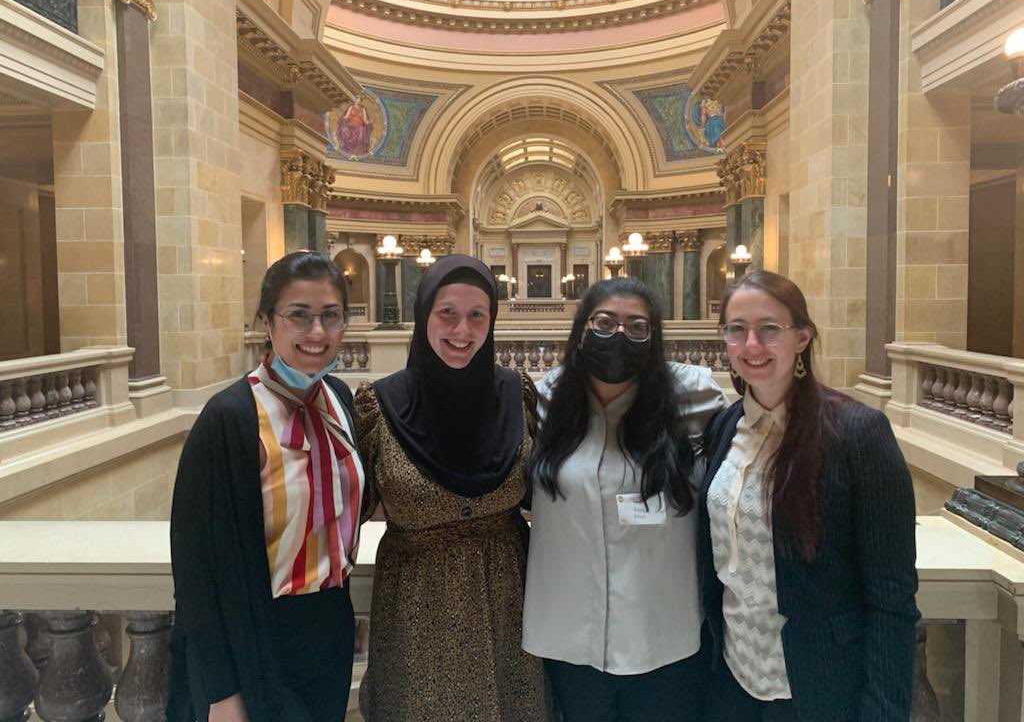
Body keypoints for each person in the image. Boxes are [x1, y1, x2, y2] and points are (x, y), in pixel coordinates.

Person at [699, 270, 919, 722]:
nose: (751, 345)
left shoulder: (857, 434)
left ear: (802, 338)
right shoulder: (724, 427)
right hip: (733, 678)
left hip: (819, 681)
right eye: (736, 330)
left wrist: (883, 711)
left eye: (769, 329)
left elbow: (892, 596)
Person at [167, 251, 364, 722]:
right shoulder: (230, 417)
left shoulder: (338, 399)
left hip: (331, 629)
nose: (317, 333)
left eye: (331, 316)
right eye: (299, 315)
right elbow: (194, 568)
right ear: (266, 322)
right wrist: (220, 690)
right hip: (257, 637)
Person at [353, 255, 550, 722]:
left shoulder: (517, 393)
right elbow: (346, 507)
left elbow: (544, 491)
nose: (462, 330)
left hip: (509, 598)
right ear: (423, 316)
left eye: (477, 315)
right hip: (416, 606)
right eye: (447, 313)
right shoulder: (378, 405)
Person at [523, 277, 727, 722]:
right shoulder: (545, 401)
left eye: (637, 327)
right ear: (581, 331)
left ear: (654, 339)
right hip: (570, 638)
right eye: (604, 322)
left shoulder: (697, 397)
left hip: (665, 637)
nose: (620, 335)